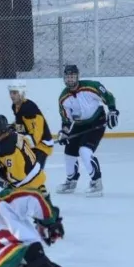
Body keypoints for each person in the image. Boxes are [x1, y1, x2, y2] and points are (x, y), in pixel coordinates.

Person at [56, 64, 119, 196]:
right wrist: (64, 132)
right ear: (64, 78)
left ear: (77, 76)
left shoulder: (91, 86)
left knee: (84, 150)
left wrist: (112, 111)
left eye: (72, 77)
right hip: (79, 125)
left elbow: (108, 97)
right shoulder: (63, 98)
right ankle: (71, 181)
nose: (70, 80)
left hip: (97, 121)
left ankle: (96, 182)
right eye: (68, 77)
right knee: (69, 152)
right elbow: (66, 120)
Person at [0, 114, 49, 200]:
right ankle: (41, 191)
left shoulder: (5, 148)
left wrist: (0, 178)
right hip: (38, 175)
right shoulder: (13, 134)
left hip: (27, 185)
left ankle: (36, 196)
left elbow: (18, 176)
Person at [8, 82, 55, 166]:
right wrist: (12, 127)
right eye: (10, 93)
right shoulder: (15, 106)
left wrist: (33, 141)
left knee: (34, 171)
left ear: (21, 93)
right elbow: (21, 123)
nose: (11, 95)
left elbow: (38, 127)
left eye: (15, 93)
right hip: (28, 142)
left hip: (42, 144)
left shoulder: (29, 107)